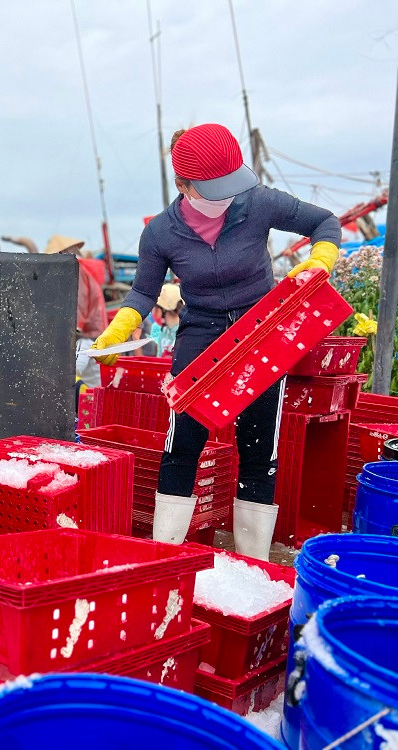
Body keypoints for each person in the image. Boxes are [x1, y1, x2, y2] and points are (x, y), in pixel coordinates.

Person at [90, 123, 340, 560]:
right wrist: (124, 320)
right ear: (184, 185)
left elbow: (323, 222)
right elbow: (146, 291)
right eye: (214, 188)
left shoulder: (259, 204)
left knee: (259, 448)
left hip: (262, 332)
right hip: (200, 336)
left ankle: (254, 563)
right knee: (183, 444)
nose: (227, 196)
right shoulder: (160, 234)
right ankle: (164, 556)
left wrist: (321, 258)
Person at [43, 235, 108, 388]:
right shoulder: (78, 272)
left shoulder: (76, 274)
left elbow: (78, 310)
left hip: (86, 339)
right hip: (90, 338)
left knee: (69, 378)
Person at [149, 283, 183, 357]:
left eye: (156, 308)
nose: (154, 311)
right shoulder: (164, 331)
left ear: (164, 309)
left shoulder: (183, 333)